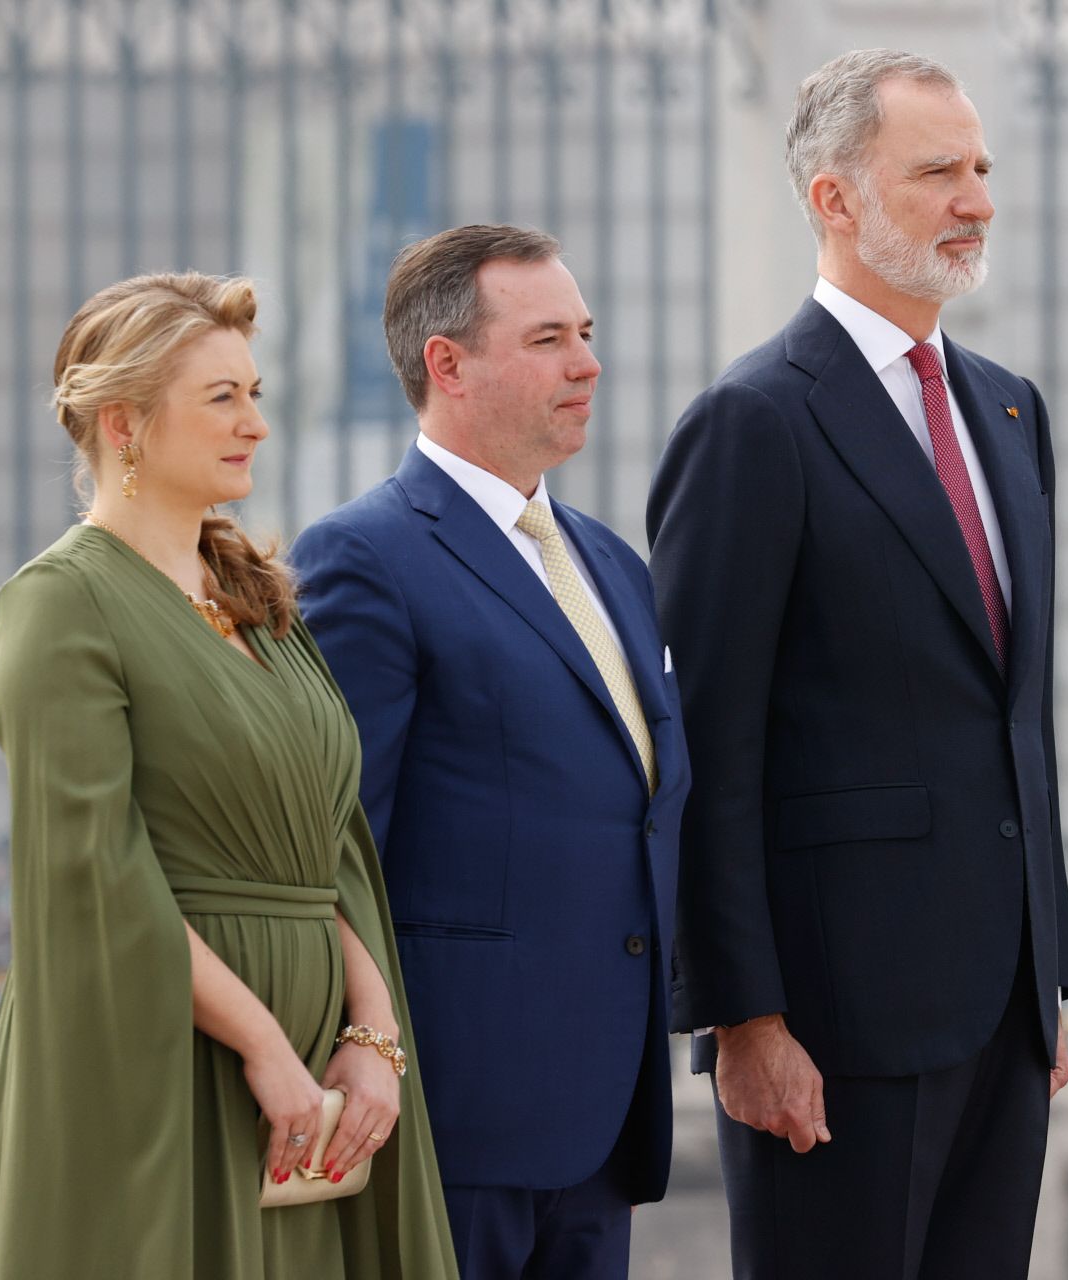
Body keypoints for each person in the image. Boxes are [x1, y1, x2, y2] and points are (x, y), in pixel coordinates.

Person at [647, 49, 1068, 1279]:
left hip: (1001, 1008)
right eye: (938, 171)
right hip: (835, 1023)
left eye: (982, 169)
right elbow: (706, 742)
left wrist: (1042, 975)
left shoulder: (1010, 410)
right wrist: (744, 1015)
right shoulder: (754, 422)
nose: (978, 199)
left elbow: (1016, 716)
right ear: (834, 199)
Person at [0, 273, 459, 1278]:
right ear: (125, 425)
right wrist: (266, 1051)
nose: (257, 425)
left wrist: (372, 1035)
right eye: (223, 398)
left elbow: (333, 850)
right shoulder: (60, 607)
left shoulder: (259, 603)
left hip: (319, 1072)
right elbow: (97, 876)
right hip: (165, 1059)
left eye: (257, 392)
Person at [290, 225, 687, 1280]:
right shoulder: (362, 556)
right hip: (452, 1117)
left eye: (588, 333)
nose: (588, 362)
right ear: (448, 365)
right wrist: (354, 1046)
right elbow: (338, 838)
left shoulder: (611, 562)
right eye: (550, 337)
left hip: (605, 1120)